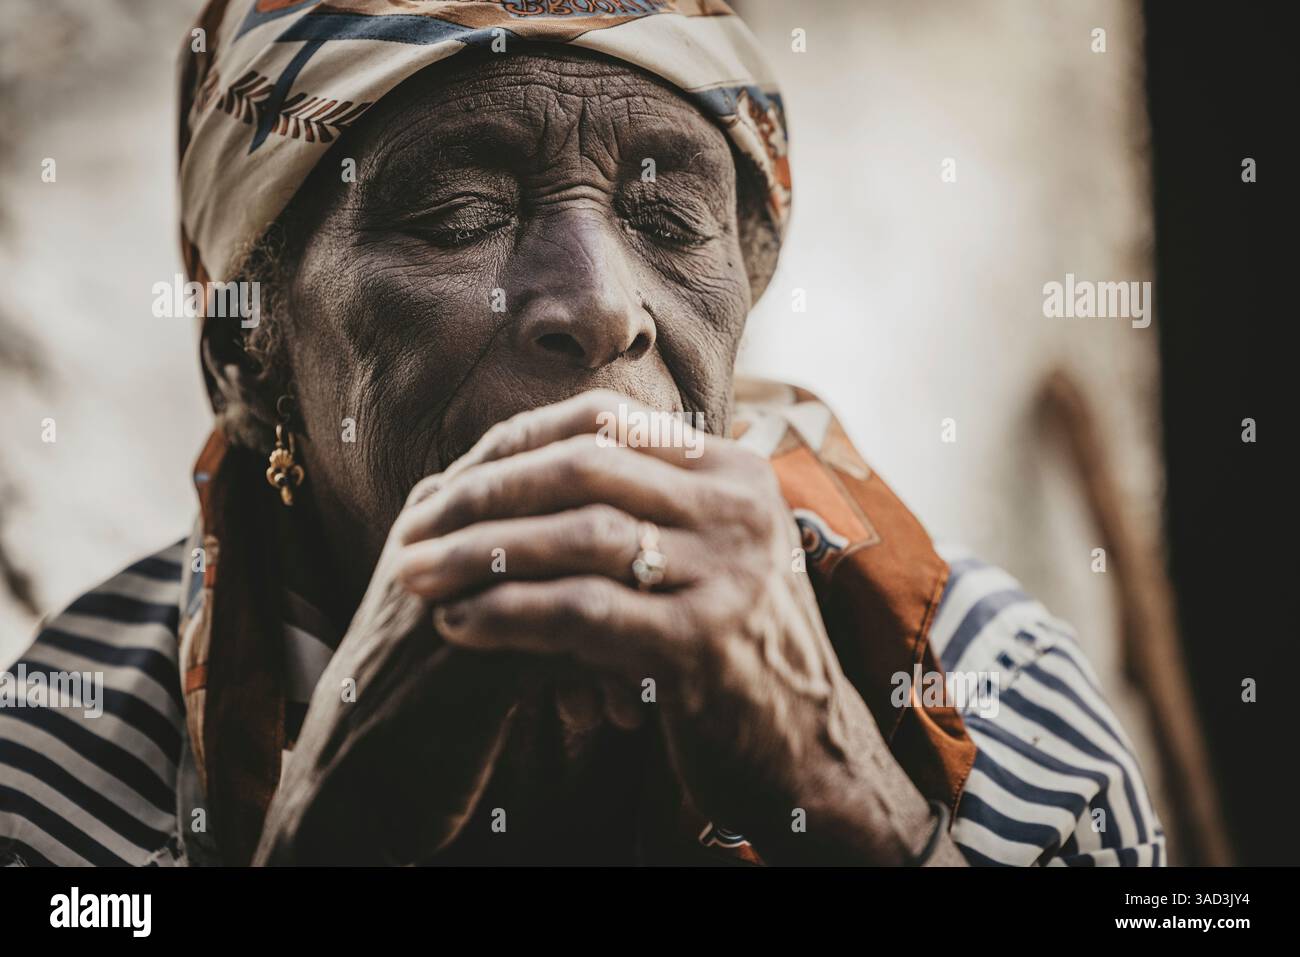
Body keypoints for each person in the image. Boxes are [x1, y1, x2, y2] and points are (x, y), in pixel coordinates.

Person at [0, 0, 1162, 867]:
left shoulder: (1005, 701)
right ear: (250, 348)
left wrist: (848, 807)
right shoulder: (61, 776)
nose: (603, 306)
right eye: (458, 214)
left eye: (668, 217)